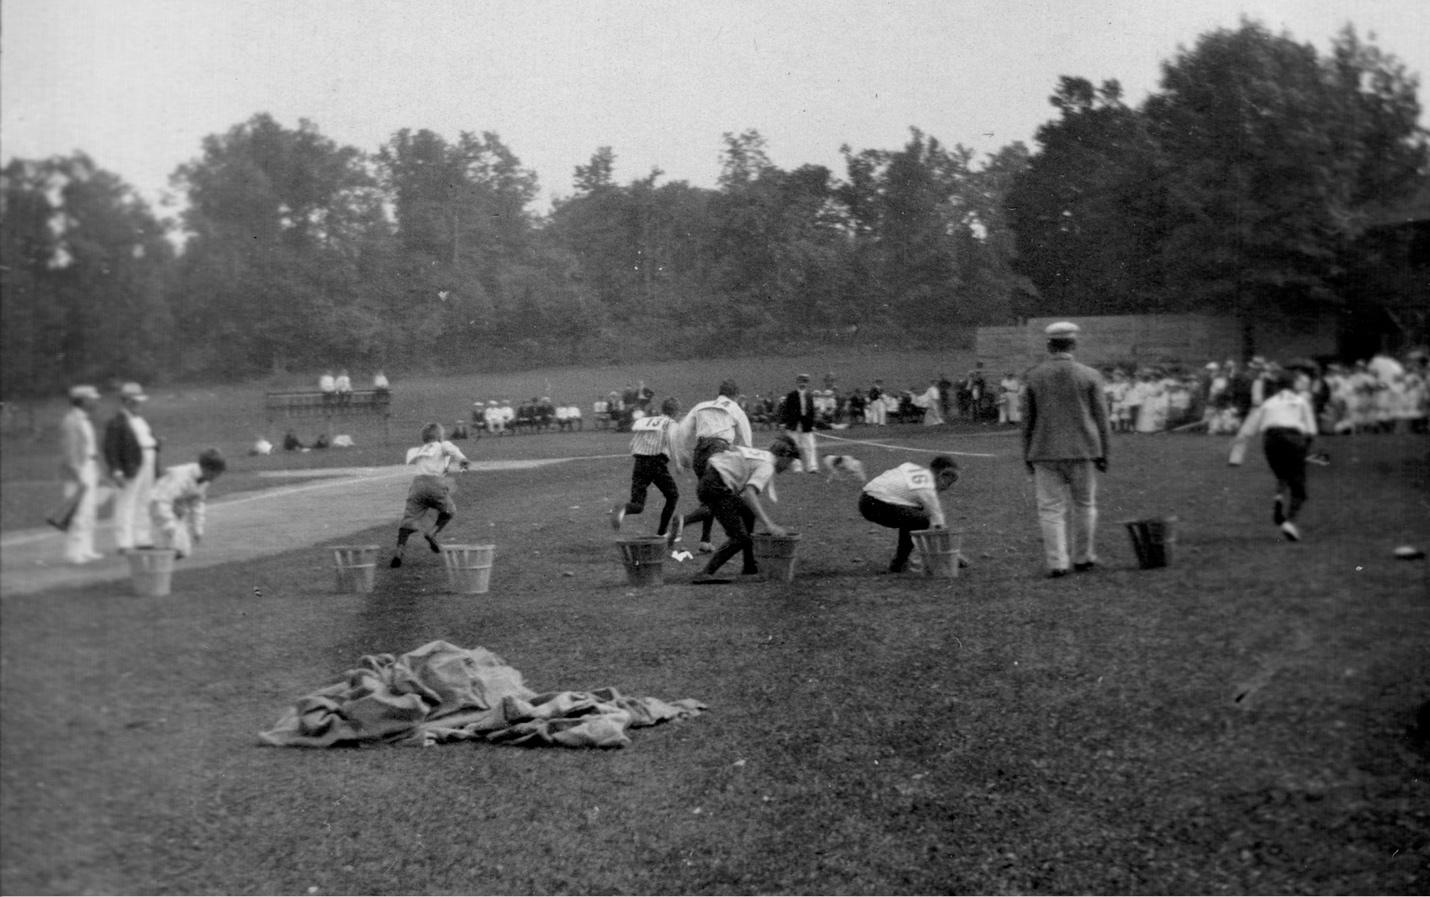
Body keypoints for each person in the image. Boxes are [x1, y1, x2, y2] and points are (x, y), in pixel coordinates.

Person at [1022, 321, 1112, 578]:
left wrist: (1027, 453)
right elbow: (1102, 418)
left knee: (1050, 509)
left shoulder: (1034, 376)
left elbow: (1027, 421)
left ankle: (1057, 563)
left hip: (1044, 450)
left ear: (1049, 346)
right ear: (1073, 345)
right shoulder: (1090, 375)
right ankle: (1083, 557)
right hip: (1083, 450)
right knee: (1085, 505)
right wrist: (1104, 453)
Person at [690, 435, 799, 583]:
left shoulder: (763, 456)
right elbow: (749, 494)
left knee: (748, 513)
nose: (787, 467)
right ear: (784, 456)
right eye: (790, 462)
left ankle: (749, 565)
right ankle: (706, 572)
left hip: (712, 481)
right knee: (739, 538)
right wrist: (768, 524)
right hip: (716, 487)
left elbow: (722, 457)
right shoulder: (768, 465)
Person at [1228, 369, 1317, 541]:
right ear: (1293, 386)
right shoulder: (1301, 401)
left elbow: (1250, 428)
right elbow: (1311, 431)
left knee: (1282, 474)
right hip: (1293, 439)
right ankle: (1290, 522)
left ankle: (1278, 498)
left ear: (1277, 387)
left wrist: (1238, 440)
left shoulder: (1268, 403)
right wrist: (1304, 451)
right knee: (1298, 486)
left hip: (1271, 440)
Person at [672, 379, 755, 552]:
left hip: (699, 452)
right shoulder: (735, 408)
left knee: (709, 496)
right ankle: (684, 521)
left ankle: (705, 541)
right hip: (719, 450)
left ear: (719, 393)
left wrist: (681, 453)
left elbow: (681, 430)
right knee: (719, 497)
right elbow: (747, 441)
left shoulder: (701, 405)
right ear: (736, 395)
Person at [859, 456, 964, 573]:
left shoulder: (912, 468)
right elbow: (938, 524)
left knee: (915, 515)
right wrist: (951, 555)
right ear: (941, 475)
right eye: (950, 480)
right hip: (877, 504)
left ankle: (902, 561)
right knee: (920, 520)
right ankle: (900, 563)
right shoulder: (926, 486)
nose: (947, 487)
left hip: (866, 500)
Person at [390, 422, 471, 568]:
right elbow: (453, 451)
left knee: (408, 519)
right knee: (449, 511)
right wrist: (463, 460)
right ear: (440, 436)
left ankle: (399, 551)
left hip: (417, 485)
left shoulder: (421, 449)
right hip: (435, 484)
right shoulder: (443, 445)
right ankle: (432, 533)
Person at [611, 397, 683, 538]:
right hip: (656, 462)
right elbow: (671, 439)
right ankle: (662, 532)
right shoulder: (671, 423)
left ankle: (622, 508)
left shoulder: (647, 421)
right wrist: (678, 462)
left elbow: (632, 444)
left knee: (637, 505)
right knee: (672, 495)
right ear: (675, 412)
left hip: (639, 462)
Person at [103, 382, 161, 554]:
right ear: (127, 402)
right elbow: (111, 448)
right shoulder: (117, 422)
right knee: (126, 502)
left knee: (144, 500)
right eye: (136, 401)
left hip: (147, 461)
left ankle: (142, 538)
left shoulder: (140, 420)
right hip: (131, 465)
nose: (139, 404)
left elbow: (147, 441)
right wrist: (116, 470)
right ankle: (124, 542)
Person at [56, 384, 104, 564]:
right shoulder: (71, 421)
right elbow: (70, 452)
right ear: (82, 401)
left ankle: (86, 548)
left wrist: (96, 469)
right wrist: (78, 475)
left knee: (89, 510)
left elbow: (90, 448)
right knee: (78, 511)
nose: (96, 402)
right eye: (92, 399)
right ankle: (74, 552)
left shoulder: (85, 420)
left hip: (89, 466)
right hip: (78, 470)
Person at [150, 448, 227, 559]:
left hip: (173, 507)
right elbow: (162, 500)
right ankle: (151, 556)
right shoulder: (182, 477)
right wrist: (168, 524)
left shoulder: (204, 480)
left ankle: (162, 554)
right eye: (217, 472)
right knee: (173, 547)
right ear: (207, 469)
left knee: (183, 551)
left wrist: (197, 529)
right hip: (155, 504)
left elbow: (197, 503)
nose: (218, 476)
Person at [781, 373, 820, 475]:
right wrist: (783, 422)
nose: (803, 384)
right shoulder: (791, 395)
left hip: (806, 424)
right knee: (794, 446)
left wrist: (813, 424)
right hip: (793, 424)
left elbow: (812, 411)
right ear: (797, 382)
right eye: (801, 381)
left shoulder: (809, 396)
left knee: (810, 446)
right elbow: (785, 410)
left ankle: (812, 467)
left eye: (805, 382)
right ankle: (797, 467)